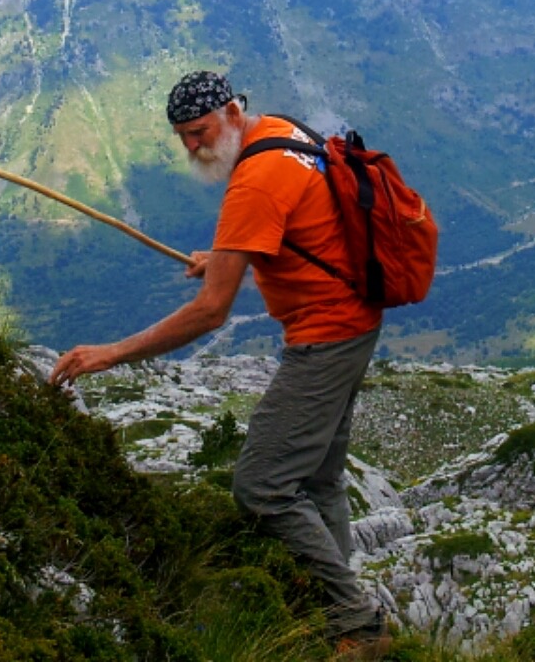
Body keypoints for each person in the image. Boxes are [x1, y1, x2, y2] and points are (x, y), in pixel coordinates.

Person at [50, 71, 390, 655]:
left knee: (260, 486)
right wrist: (226, 255)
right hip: (357, 322)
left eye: (200, 131)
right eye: (182, 136)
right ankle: (337, 608)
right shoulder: (283, 134)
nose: (192, 147)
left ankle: (356, 624)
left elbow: (210, 314)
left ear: (233, 112)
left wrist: (110, 354)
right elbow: (300, 227)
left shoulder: (255, 180)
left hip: (326, 338)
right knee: (320, 479)